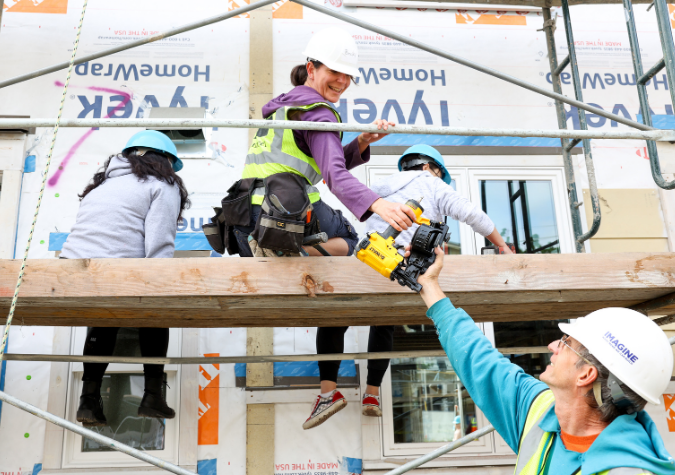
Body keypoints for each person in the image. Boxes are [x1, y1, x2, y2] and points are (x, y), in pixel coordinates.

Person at [222, 27, 417, 429]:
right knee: (350, 239)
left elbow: (317, 159)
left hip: (250, 217)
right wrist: (377, 203)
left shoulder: (286, 108)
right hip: (283, 214)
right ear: (311, 68)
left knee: (336, 256)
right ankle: (289, 253)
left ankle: (281, 251)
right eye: (335, 72)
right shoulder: (319, 113)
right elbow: (333, 174)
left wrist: (361, 141)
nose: (343, 82)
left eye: (349, 76)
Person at [414, 246, 675, 474]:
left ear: (586, 375)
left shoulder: (627, 471)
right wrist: (429, 286)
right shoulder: (541, 411)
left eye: (565, 343)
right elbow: (478, 358)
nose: (553, 345)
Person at [309, 144, 513, 429]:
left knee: (333, 320)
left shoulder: (384, 184)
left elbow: (346, 196)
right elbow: (472, 215)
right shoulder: (434, 184)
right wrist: (502, 245)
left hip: (365, 261)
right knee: (384, 325)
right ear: (432, 168)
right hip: (402, 270)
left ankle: (327, 393)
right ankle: (371, 395)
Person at [60, 130, 190, 426]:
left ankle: (88, 400)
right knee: (155, 310)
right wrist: (158, 288)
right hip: (116, 273)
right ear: (164, 161)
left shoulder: (100, 186)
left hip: (72, 271)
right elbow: (158, 244)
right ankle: (152, 395)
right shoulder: (161, 185)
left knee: (105, 317)